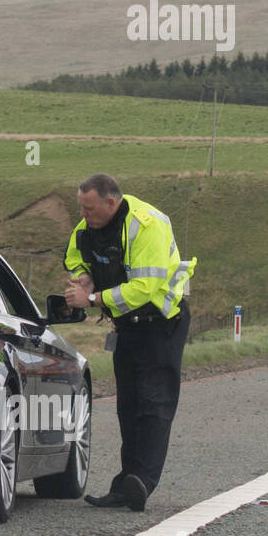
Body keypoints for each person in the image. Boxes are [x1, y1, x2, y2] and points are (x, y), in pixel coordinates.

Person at [62, 174, 196, 511]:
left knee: (154, 402)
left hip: (162, 323)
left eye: (89, 207)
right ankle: (126, 483)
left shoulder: (146, 225)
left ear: (111, 202)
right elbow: (74, 256)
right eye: (81, 206)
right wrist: (83, 275)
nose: (83, 213)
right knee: (129, 405)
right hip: (127, 327)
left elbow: (144, 289)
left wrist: (91, 299)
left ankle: (143, 481)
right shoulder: (86, 226)